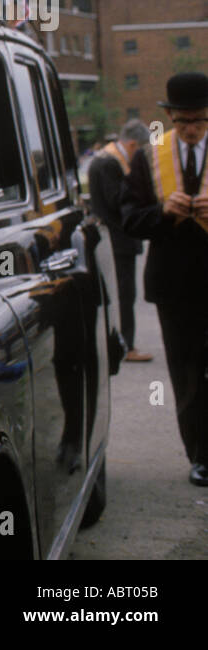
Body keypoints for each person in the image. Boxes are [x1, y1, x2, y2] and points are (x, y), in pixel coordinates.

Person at [121, 72, 208, 486]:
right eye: (182, 121)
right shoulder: (148, 158)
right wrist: (163, 214)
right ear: (170, 116)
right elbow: (128, 219)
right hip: (174, 286)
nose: (190, 129)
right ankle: (200, 455)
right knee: (187, 374)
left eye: (199, 121)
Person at [88, 120, 151, 362]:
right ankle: (127, 346)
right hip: (119, 239)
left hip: (114, 238)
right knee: (125, 295)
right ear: (133, 144)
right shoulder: (110, 163)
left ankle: (122, 344)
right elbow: (117, 200)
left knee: (120, 295)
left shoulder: (103, 159)